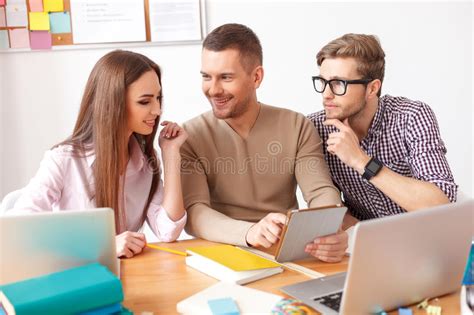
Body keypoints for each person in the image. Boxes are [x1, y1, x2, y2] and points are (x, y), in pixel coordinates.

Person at [181, 23, 348, 263]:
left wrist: (331, 229)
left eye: (226, 77)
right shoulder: (190, 135)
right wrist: (249, 233)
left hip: (283, 250)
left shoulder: (296, 125)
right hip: (218, 254)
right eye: (207, 77)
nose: (213, 89)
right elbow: (195, 213)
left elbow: (320, 191)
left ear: (256, 77)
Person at [13, 50, 188, 258]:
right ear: (114, 103)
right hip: (78, 276)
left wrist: (171, 154)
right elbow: (18, 230)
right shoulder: (64, 161)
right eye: (145, 101)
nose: (157, 110)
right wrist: (102, 245)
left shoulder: (145, 162)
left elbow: (168, 231)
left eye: (158, 98)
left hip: (126, 274)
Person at [307, 33, 457, 225]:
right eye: (323, 82)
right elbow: (330, 206)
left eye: (338, 83)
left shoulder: (411, 117)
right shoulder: (315, 129)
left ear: (372, 89)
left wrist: (360, 160)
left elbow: (441, 204)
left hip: (424, 239)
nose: (326, 94)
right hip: (365, 242)